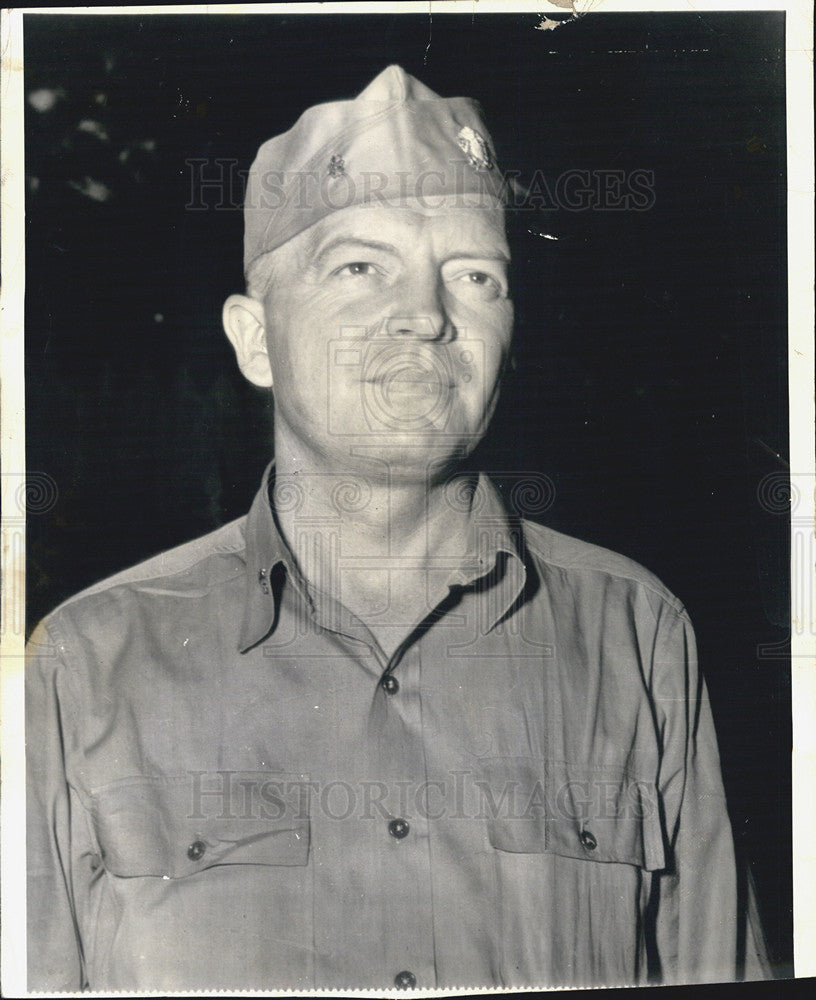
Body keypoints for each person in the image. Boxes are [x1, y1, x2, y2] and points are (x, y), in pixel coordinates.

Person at [26, 65, 769, 991]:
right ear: (255, 339)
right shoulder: (84, 664)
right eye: (358, 267)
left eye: (473, 275)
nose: (424, 316)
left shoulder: (635, 634)